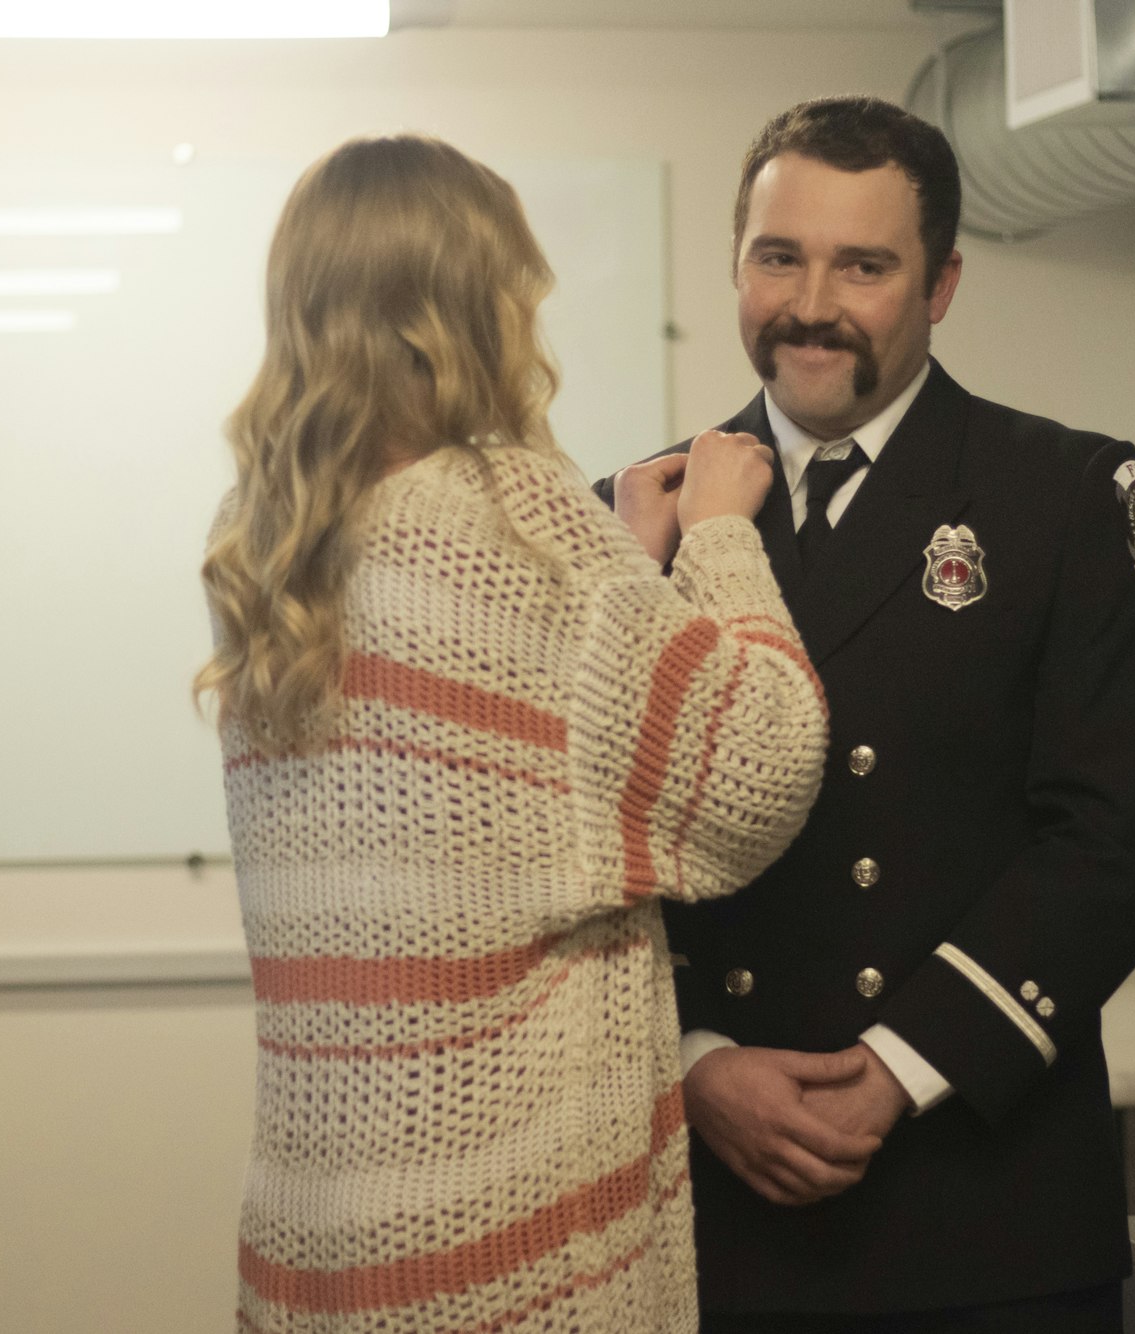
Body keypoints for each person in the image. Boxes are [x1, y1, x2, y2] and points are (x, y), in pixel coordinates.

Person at [194, 134, 846, 1334]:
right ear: (472, 309)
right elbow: (757, 768)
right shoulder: (512, 520)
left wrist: (625, 574)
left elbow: (484, 794)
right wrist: (714, 537)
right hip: (502, 1246)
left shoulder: (273, 550)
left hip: (324, 1245)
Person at [596, 97, 1135, 1332]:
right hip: (708, 1217)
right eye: (778, 256)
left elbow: (1110, 843)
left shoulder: (1064, 492)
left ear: (941, 282)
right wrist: (695, 1060)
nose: (810, 302)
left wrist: (896, 1070)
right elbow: (590, 845)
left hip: (978, 1207)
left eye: (862, 264)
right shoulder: (632, 513)